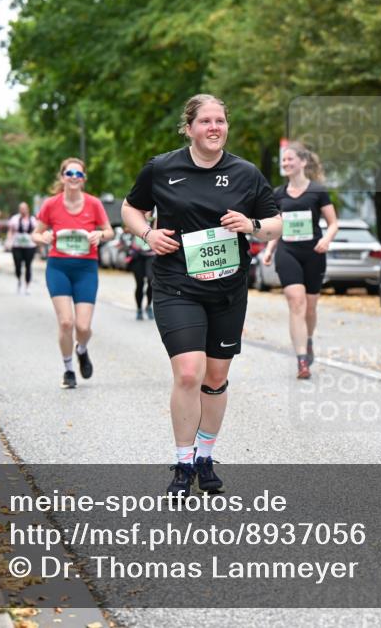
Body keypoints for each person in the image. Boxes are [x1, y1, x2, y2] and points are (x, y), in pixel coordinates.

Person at [121, 94, 282, 497]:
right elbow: (130, 208)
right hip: (177, 284)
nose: (214, 128)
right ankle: (182, 462)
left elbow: (276, 223)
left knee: (216, 376)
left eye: (220, 121)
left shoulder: (246, 173)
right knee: (189, 372)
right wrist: (147, 233)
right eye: (206, 121)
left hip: (228, 289)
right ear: (189, 127)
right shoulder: (162, 168)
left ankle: (205, 456)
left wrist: (252, 223)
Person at [32, 158, 113, 389]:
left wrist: (100, 235)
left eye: (79, 174)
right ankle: (68, 370)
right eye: (70, 173)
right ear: (62, 177)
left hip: (86, 269)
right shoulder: (51, 204)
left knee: (84, 328)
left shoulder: (94, 204)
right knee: (66, 322)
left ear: (84, 179)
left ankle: (82, 349)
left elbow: (109, 232)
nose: (74, 177)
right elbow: (36, 234)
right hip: (59, 267)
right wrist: (43, 237)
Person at [261, 142, 338, 379]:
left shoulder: (317, 191)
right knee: (296, 302)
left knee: (310, 307)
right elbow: (276, 227)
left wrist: (327, 239)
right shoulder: (278, 194)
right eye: (283, 161)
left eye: (289, 159)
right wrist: (269, 249)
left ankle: (309, 339)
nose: (285, 164)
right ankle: (302, 360)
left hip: (313, 252)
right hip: (288, 252)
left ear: (302, 163)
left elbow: (334, 222)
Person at [129, 212, 156, 320]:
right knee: (139, 284)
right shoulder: (134, 214)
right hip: (137, 254)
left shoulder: (155, 217)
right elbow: (128, 229)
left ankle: (148, 306)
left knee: (151, 281)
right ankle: (139, 309)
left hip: (151, 254)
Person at [7, 202, 38, 295]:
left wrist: (38, 243)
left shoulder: (33, 220)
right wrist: (9, 241)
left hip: (29, 246)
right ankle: (19, 279)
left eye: (24, 208)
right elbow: (10, 231)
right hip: (17, 246)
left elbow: (37, 231)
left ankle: (27, 285)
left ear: (27, 209)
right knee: (17, 264)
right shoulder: (14, 219)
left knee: (28, 266)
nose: (23, 210)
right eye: (21, 208)